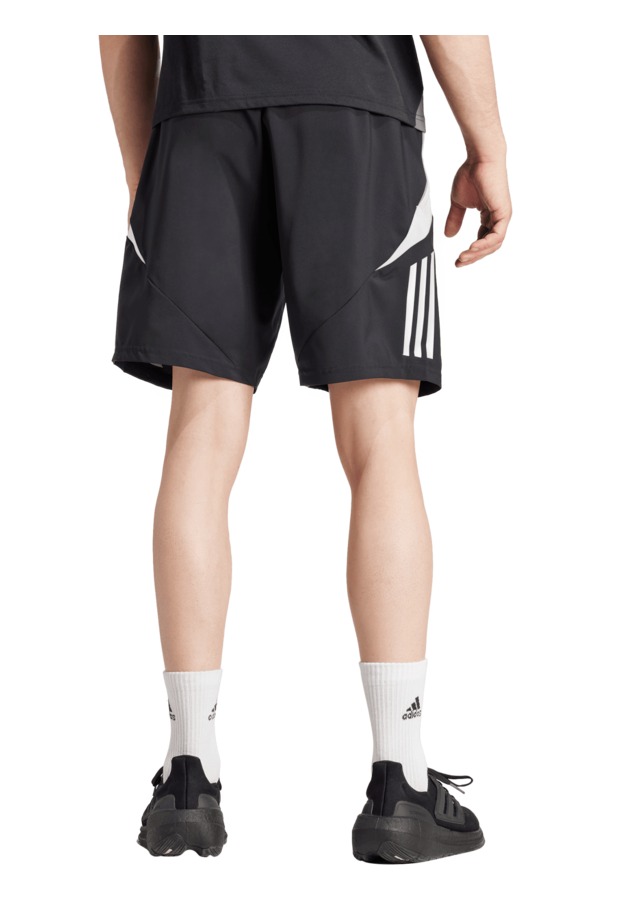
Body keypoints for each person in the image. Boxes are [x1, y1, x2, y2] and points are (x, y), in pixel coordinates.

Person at [99, 35, 511, 864]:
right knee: (379, 438)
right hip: (354, 102)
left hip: (200, 109)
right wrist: (487, 148)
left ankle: (189, 774)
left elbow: (117, 22)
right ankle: (399, 779)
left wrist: (151, 164)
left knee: (201, 429)